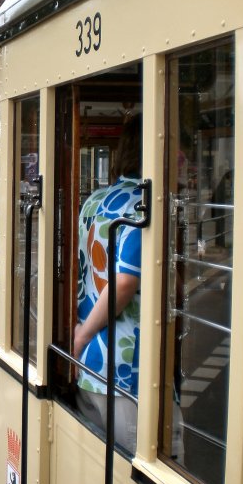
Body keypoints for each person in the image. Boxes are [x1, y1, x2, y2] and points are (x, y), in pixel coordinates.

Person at [73, 114, 143, 453]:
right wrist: (83, 335)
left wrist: (81, 337)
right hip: (126, 373)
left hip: (88, 366)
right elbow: (125, 283)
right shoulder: (142, 206)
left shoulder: (92, 203)